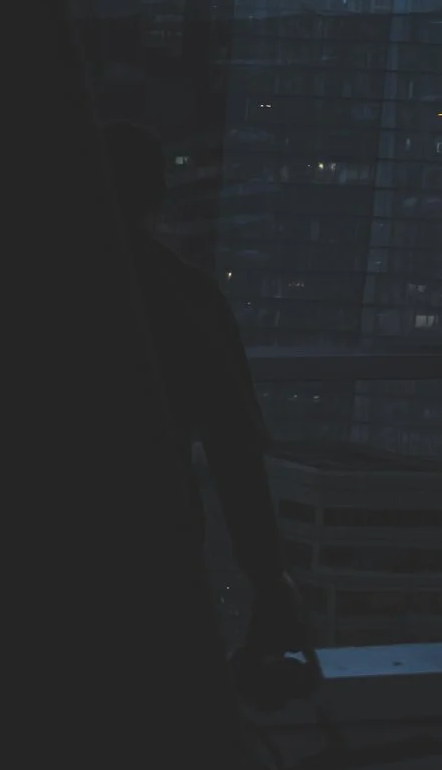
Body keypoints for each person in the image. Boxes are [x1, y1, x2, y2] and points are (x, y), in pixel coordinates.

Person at [100, 120, 309, 700]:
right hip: (157, 537)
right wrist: (269, 578)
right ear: (156, 199)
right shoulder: (185, 297)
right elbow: (233, 450)